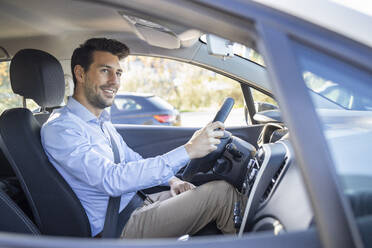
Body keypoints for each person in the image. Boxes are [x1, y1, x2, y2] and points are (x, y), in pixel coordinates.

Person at [41, 38, 246, 239]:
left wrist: (173, 181)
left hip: (138, 203)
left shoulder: (100, 122)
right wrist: (189, 150)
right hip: (117, 227)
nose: (115, 81)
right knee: (222, 195)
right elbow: (110, 179)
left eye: (118, 73)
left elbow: (132, 159)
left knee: (204, 194)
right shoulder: (61, 129)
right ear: (80, 73)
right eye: (105, 71)